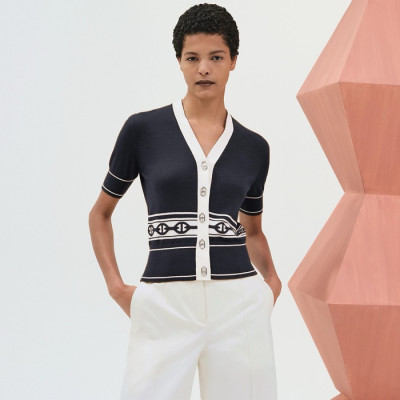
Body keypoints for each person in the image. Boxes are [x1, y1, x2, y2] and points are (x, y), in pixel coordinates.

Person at [88, 3, 282, 399]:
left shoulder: (254, 147)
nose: (204, 69)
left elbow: (253, 231)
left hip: (240, 307)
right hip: (164, 305)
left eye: (216, 57)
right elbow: (100, 214)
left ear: (233, 61)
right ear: (179, 61)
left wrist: (271, 286)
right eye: (192, 58)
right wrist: (116, 288)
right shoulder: (143, 131)